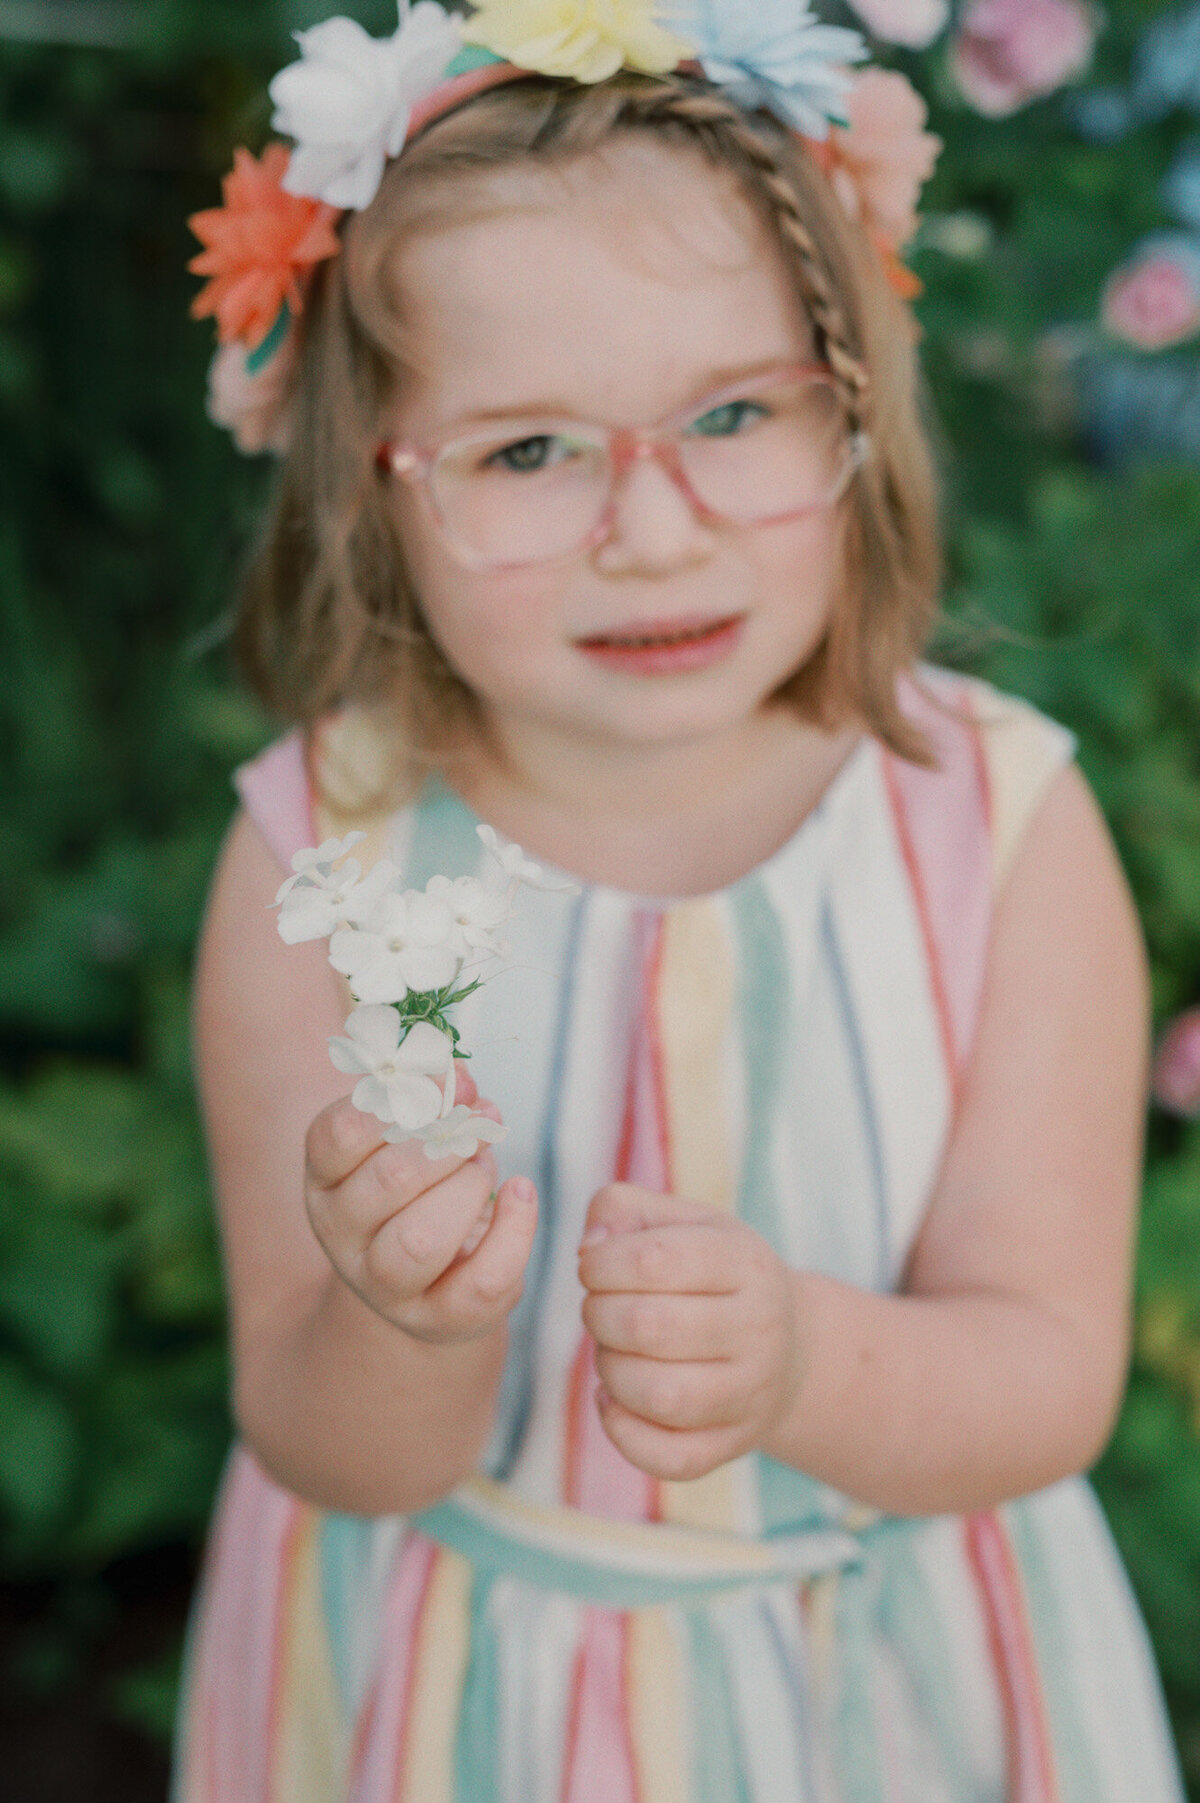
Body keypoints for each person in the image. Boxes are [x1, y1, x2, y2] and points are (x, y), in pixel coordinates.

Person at [176, 4, 1185, 1798]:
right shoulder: (317, 863)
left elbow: (1045, 1374)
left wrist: (801, 1365)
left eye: (731, 413)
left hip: (885, 1688)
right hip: (455, 1692)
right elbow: (326, 1445)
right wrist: (406, 1324)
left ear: (855, 402)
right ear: (372, 491)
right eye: (526, 452)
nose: (651, 532)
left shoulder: (1000, 830)